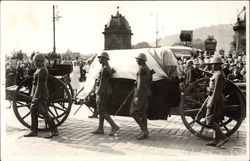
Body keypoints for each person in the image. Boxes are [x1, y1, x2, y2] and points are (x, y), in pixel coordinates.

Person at [195, 56, 229, 147]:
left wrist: (211, 103)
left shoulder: (219, 75)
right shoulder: (217, 73)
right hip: (214, 97)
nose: (211, 66)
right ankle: (215, 140)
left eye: (213, 64)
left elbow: (217, 91)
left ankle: (224, 137)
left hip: (216, 100)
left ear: (217, 65)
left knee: (209, 120)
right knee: (216, 120)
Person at [24, 53, 58, 138]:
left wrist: (35, 97)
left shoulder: (43, 70)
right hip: (37, 93)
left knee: (44, 112)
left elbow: (40, 85)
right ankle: (34, 131)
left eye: (35, 61)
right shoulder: (39, 69)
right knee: (33, 110)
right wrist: (33, 94)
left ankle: (54, 130)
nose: (34, 63)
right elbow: (35, 84)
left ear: (40, 61)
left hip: (41, 94)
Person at [91, 52, 119, 136]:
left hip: (103, 92)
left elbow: (102, 83)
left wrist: (98, 94)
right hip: (106, 91)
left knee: (101, 110)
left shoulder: (104, 69)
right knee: (102, 110)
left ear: (104, 59)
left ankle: (114, 126)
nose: (99, 59)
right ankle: (100, 128)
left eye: (100, 58)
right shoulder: (106, 68)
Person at [130, 53, 152, 140]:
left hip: (141, 94)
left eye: (138, 59)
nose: (136, 61)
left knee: (133, 112)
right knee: (143, 113)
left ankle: (144, 130)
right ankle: (144, 132)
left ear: (142, 61)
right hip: (146, 93)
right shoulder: (147, 68)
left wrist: (137, 97)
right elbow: (150, 81)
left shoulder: (142, 69)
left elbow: (140, 84)